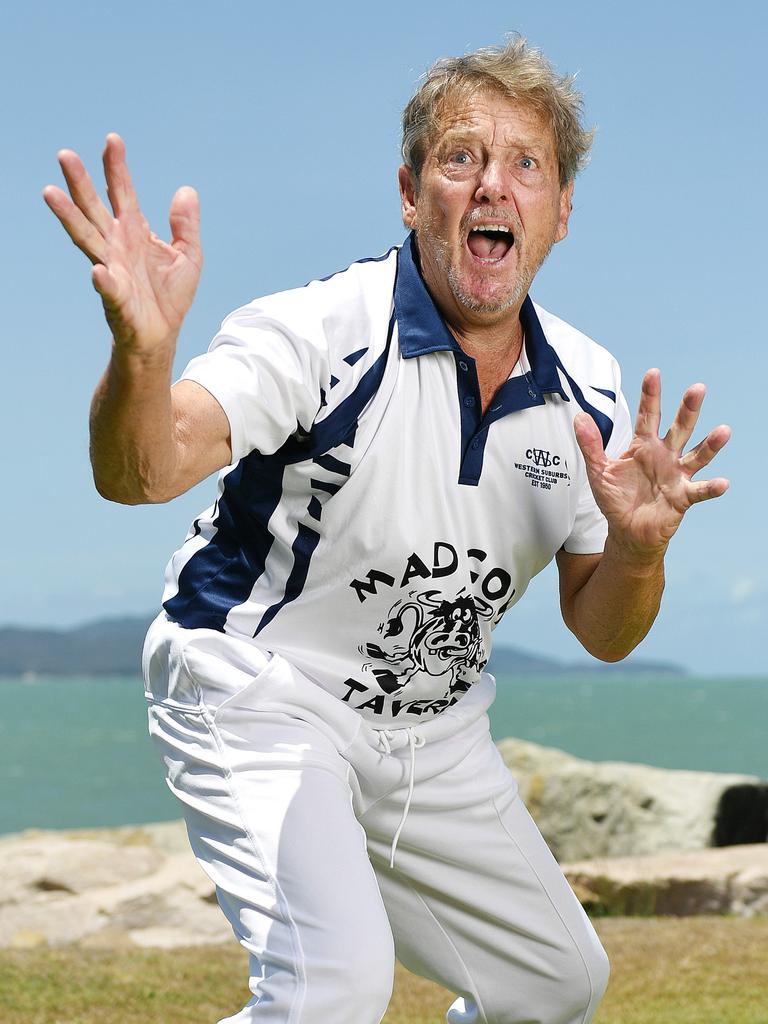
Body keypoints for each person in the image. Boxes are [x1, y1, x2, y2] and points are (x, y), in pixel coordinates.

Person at [44, 35, 730, 1024]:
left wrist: (637, 550)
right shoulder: (321, 331)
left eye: (527, 164)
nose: (494, 184)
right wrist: (140, 354)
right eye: (461, 158)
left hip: (430, 734)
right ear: (412, 193)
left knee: (555, 983)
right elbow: (138, 469)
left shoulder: (589, 388)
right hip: (257, 690)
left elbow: (605, 630)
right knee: (332, 987)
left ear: (562, 211)